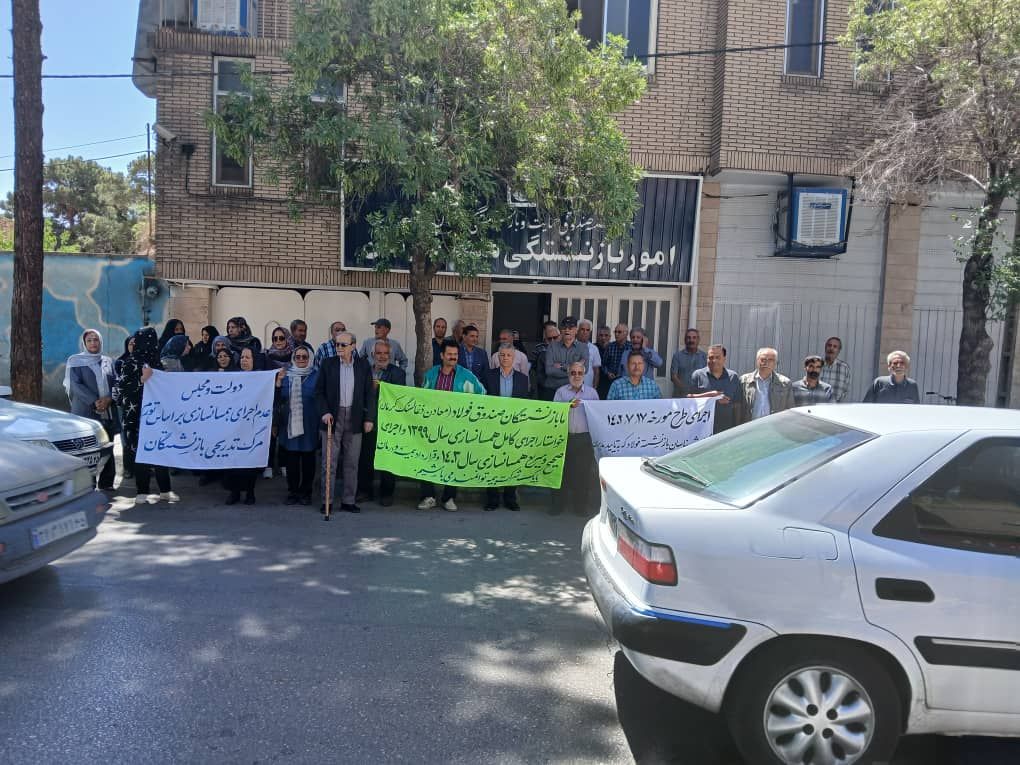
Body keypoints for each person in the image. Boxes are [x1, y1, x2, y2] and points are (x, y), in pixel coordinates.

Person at [418, 339, 485, 511]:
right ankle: (429, 496)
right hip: (433, 426)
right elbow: (423, 398)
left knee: (453, 461)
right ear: (442, 355)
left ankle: (449, 498)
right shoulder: (431, 374)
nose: (453, 357)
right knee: (427, 459)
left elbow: (482, 394)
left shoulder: (467, 376)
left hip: (456, 428)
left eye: (455, 354)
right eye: (449, 354)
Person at [113, 327, 178, 504]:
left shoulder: (157, 363)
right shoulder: (129, 363)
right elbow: (122, 391)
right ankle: (142, 491)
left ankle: (165, 490)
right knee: (141, 453)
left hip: (157, 417)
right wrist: (142, 380)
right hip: (137, 417)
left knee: (160, 451)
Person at [315, 331, 375, 514]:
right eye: (337, 344)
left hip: (355, 418)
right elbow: (319, 392)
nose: (339, 348)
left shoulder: (363, 365)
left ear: (353, 346)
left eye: (343, 345)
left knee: (352, 462)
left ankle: (348, 500)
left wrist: (369, 418)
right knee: (329, 462)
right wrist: (324, 412)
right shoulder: (328, 364)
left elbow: (369, 394)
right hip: (332, 417)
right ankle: (327, 500)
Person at [65, 328, 117, 490]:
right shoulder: (75, 361)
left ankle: (107, 483)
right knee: (88, 449)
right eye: (89, 340)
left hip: (107, 411)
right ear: (84, 343)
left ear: (100, 342)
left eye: (96, 340)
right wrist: (95, 402)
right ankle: (88, 484)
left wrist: (109, 399)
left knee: (107, 446)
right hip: (85, 412)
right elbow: (76, 385)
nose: (93, 343)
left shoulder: (108, 361)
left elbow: (116, 383)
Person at [357, 339, 406, 507]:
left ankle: (387, 493)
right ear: (372, 354)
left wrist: (379, 387)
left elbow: (398, 396)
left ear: (390, 355)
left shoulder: (398, 373)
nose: (382, 356)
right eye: (379, 353)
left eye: (386, 353)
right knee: (366, 458)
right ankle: (365, 491)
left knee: (387, 459)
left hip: (389, 423)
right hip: (367, 421)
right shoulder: (364, 371)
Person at [482, 345, 530, 511]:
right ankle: (492, 499)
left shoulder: (523, 379)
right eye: (502, 355)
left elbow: (526, 403)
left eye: (509, 355)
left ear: (514, 358)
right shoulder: (489, 376)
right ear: (498, 357)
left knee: (512, 461)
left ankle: (510, 498)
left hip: (514, 427)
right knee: (492, 461)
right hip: (493, 425)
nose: (505, 358)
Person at [553, 360, 600, 516]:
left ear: (584, 375)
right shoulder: (561, 392)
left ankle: (580, 507)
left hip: (584, 439)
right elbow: (554, 413)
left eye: (580, 373)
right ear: (568, 374)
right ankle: (558, 506)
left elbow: (598, 416)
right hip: (564, 437)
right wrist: (567, 405)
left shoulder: (592, 394)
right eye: (573, 373)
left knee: (583, 474)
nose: (576, 376)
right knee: (561, 473)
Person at [275, 345, 319, 506]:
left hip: (310, 424)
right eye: (298, 357)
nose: (301, 359)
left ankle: (306, 492)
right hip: (290, 425)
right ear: (293, 358)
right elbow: (278, 398)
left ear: (310, 359)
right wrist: (278, 383)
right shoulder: (286, 375)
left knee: (308, 461)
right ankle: (293, 492)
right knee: (292, 461)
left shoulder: (317, 375)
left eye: (304, 357)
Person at [225, 347, 265, 506]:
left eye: (248, 357)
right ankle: (234, 492)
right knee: (233, 460)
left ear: (254, 360)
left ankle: (250, 492)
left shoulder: (261, 379)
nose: (244, 360)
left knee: (249, 460)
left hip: (252, 426)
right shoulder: (232, 377)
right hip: (233, 425)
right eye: (242, 357)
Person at [688, 344, 743, 433]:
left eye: (718, 357)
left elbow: (737, 404)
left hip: (726, 430)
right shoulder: (698, 375)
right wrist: (710, 396)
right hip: (701, 429)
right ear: (707, 359)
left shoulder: (733, 377)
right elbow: (688, 398)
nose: (714, 360)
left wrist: (737, 428)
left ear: (724, 359)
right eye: (711, 357)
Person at [739, 347, 793, 422]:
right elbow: (738, 407)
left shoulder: (785, 383)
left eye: (771, 360)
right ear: (757, 361)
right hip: (749, 426)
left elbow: (789, 409)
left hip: (774, 426)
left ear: (775, 363)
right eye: (763, 359)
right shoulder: (744, 381)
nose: (766, 363)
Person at [542, 316, 589, 400]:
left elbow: (585, 369)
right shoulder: (552, 346)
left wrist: (562, 366)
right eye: (564, 328)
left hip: (574, 391)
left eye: (570, 328)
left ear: (576, 330)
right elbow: (549, 370)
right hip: (552, 389)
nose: (567, 330)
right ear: (561, 330)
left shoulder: (583, 348)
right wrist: (573, 371)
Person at [670, 328, 707, 397]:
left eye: (694, 338)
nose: (691, 340)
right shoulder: (677, 356)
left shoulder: (704, 356)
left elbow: (707, 376)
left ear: (698, 340)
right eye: (688, 338)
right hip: (680, 395)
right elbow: (673, 377)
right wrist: (685, 390)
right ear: (685, 340)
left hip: (699, 395)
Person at [820, 336, 852, 402]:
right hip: (816, 405)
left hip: (835, 406)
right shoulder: (817, 365)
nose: (831, 348)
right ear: (825, 348)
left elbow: (845, 390)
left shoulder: (844, 368)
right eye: (829, 345)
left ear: (839, 350)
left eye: (835, 346)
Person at [531, 321, 560, 394]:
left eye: (555, 338)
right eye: (549, 339)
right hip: (546, 389)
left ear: (560, 337)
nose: (552, 341)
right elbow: (536, 372)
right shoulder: (541, 354)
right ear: (546, 338)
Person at [602, 323, 629, 394]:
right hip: (611, 382)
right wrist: (608, 373)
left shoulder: (631, 347)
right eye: (615, 332)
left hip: (626, 382)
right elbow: (603, 364)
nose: (616, 334)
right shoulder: (610, 346)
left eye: (619, 332)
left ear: (626, 333)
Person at [576, 319, 602, 390]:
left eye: (587, 330)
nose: (585, 332)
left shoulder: (594, 348)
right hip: (571, 387)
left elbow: (596, 371)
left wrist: (595, 387)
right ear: (577, 330)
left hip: (588, 388)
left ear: (590, 332)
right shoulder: (570, 346)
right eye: (582, 329)